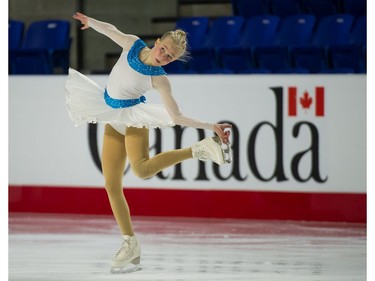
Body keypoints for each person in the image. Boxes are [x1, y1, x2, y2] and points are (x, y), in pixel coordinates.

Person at [65, 12, 232, 273]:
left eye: (170, 57)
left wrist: (211, 126)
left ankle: (200, 148)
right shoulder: (133, 44)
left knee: (141, 169)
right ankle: (130, 243)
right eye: (164, 50)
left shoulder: (159, 79)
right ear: (157, 42)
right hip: (112, 115)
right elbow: (111, 29)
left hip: (133, 118)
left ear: (174, 60)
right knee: (111, 184)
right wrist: (92, 23)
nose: (164, 57)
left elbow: (176, 116)